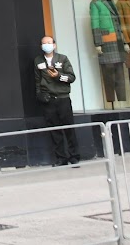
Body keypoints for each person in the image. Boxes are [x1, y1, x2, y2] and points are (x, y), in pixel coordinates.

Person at [33, 35, 79, 166]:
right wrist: (39, 94)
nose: (46, 45)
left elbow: (71, 77)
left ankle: (74, 157)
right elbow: (37, 80)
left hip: (63, 98)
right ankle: (61, 158)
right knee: (54, 130)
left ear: (54, 45)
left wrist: (58, 76)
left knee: (69, 128)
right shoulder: (38, 61)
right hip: (49, 100)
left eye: (49, 42)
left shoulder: (62, 59)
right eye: (44, 43)